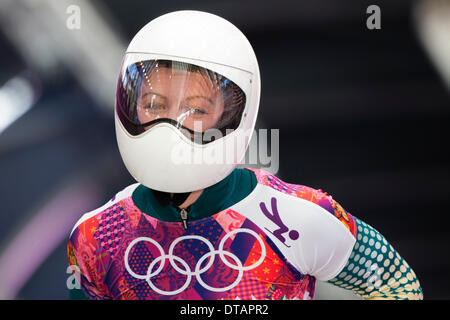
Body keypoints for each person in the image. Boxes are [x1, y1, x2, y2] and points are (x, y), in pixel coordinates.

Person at [67, 10, 423, 300]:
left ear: (236, 115)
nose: (171, 124)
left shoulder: (298, 215)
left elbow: (397, 286)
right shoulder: (96, 236)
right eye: (153, 104)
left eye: (195, 109)